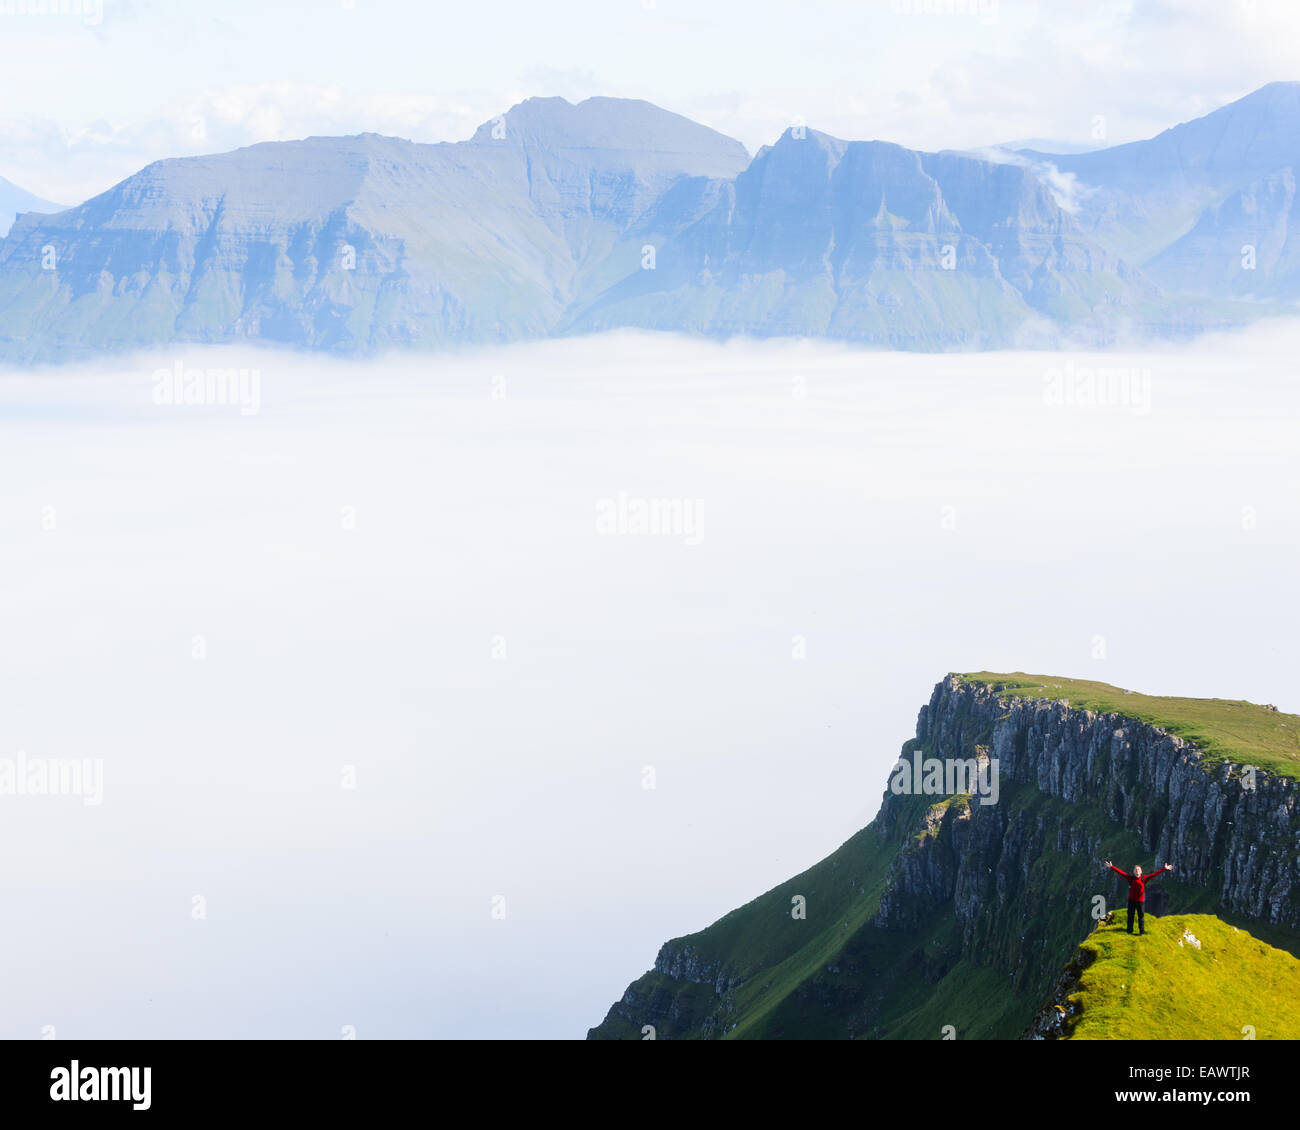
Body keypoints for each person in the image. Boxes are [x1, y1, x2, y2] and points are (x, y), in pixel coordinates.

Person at [1104, 860, 1174, 935]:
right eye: (1135, 870)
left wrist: (1164, 869)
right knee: (1130, 916)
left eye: (1138, 870)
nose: (1137, 871)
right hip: (1131, 901)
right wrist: (1112, 867)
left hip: (1140, 901)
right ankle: (1129, 931)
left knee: (1141, 917)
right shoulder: (1130, 878)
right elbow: (1121, 873)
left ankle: (1141, 932)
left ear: (1141, 872)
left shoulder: (1144, 879)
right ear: (1134, 872)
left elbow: (1154, 874)